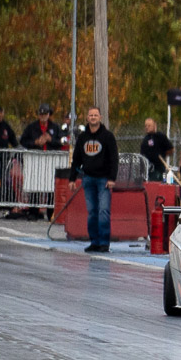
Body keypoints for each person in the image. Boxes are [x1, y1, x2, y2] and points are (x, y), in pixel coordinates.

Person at [69, 107, 119, 253]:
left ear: (100, 117)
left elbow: (114, 158)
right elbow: (76, 159)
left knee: (103, 211)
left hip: (104, 180)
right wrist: (72, 178)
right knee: (92, 212)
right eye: (90, 115)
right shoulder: (82, 138)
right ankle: (94, 242)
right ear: (87, 118)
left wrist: (112, 178)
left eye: (95, 115)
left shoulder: (108, 136)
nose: (93, 117)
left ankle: (104, 243)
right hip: (88, 179)